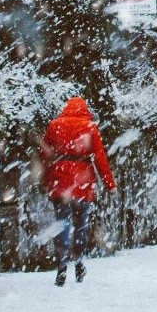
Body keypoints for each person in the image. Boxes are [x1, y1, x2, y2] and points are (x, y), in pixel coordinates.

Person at [40, 96, 116, 286]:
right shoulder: (89, 127)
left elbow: (44, 155)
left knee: (62, 224)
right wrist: (110, 184)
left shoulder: (53, 126)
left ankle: (61, 265)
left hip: (60, 181)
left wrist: (44, 180)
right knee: (80, 225)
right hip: (82, 182)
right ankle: (79, 261)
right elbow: (99, 157)